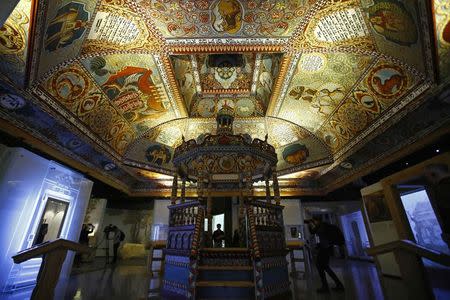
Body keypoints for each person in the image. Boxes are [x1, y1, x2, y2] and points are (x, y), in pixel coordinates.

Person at [307, 218, 345, 293]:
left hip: (325, 249)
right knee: (324, 267)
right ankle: (336, 284)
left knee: (320, 266)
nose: (314, 223)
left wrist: (309, 224)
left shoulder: (321, 226)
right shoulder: (325, 226)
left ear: (317, 221)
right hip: (327, 248)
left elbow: (313, 231)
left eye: (314, 221)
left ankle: (326, 286)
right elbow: (314, 232)